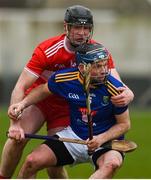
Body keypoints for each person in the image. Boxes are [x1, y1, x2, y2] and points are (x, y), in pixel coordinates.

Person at [0, 5, 134, 179]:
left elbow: (116, 84)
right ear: (66, 27)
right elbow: (21, 87)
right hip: (42, 99)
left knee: (55, 165)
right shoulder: (48, 49)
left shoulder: (97, 53)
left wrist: (128, 93)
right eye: (77, 27)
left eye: (86, 28)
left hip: (69, 105)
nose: (82, 33)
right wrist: (14, 124)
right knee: (17, 139)